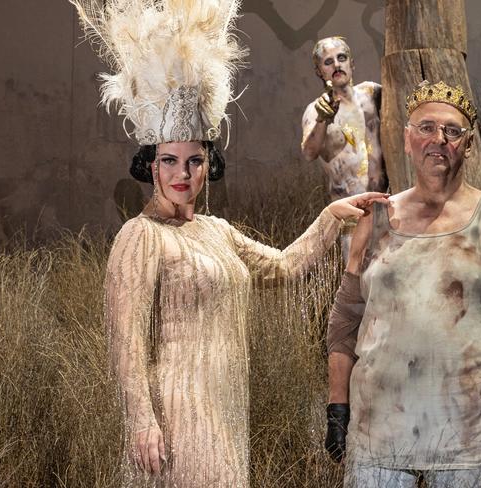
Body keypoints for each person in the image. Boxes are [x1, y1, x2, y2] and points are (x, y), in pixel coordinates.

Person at [69, 1, 388, 486]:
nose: (182, 174)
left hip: (224, 413)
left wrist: (329, 219)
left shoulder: (216, 230)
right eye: (170, 161)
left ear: (207, 164)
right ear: (150, 165)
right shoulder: (139, 236)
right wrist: (140, 419)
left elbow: (282, 267)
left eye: (194, 161)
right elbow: (125, 339)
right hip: (173, 418)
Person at [324, 80, 481, 487]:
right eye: (426, 127)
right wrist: (337, 408)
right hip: (378, 442)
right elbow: (345, 322)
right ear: (407, 138)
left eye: (452, 131)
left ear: (467, 145)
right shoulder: (376, 219)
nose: (439, 140)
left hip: (465, 446)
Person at [301, 36, 388, 262]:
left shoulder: (372, 93)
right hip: (354, 219)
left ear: (352, 63)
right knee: (360, 290)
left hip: (390, 210)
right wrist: (323, 119)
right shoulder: (314, 111)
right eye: (328, 62)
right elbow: (309, 152)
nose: (337, 65)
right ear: (320, 71)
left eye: (342, 58)